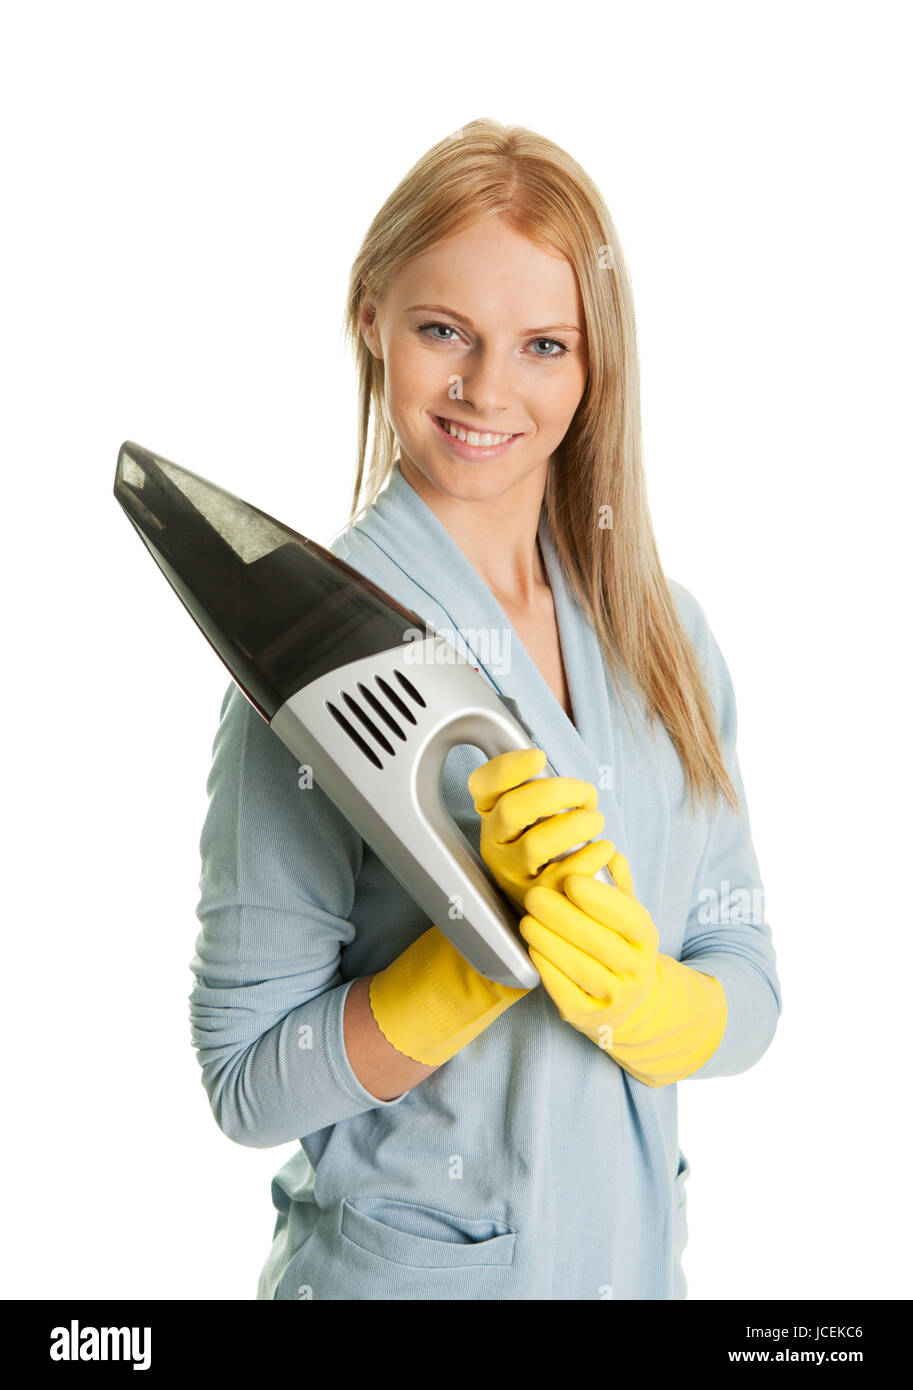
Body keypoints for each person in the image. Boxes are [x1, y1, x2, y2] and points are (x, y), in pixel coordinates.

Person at [189, 118, 782, 1300]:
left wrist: (648, 1002)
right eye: (443, 330)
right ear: (372, 317)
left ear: (594, 361)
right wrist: (470, 962)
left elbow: (748, 981)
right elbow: (248, 1083)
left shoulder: (668, 640)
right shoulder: (302, 668)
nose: (487, 389)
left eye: (544, 344)